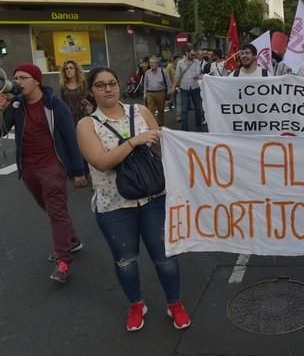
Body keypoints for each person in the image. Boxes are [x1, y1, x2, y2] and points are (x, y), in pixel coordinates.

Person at [76, 67, 191, 332]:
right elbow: (101, 162)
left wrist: (168, 139)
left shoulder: (140, 111)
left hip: (153, 200)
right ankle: (136, 304)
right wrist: (135, 141)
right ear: (91, 91)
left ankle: (175, 303)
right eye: (101, 85)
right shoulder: (86, 125)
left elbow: (165, 148)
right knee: (126, 260)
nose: (108, 89)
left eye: (112, 83)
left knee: (165, 257)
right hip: (114, 206)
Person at [0, 63, 87, 283]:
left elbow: (70, 138)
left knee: (56, 211)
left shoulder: (54, 104)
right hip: (29, 169)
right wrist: (2, 110)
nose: (17, 82)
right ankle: (73, 240)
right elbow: (2, 130)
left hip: (52, 166)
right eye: (15, 78)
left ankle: (63, 261)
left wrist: (77, 171)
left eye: (22, 77)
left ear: (36, 80)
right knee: (50, 208)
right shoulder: (17, 104)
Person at [172, 47, 204, 131]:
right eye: (192, 54)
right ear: (186, 53)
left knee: (198, 109)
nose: (194, 56)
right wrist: (173, 87)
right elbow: (177, 76)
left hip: (195, 88)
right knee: (184, 110)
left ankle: (198, 126)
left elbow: (199, 73)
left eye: (194, 54)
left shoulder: (197, 62)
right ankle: (185, 130)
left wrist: (198, 76)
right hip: (184, 88)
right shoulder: (180, 63)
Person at [59, 59, 92, 125]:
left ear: (76, 70)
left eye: (71, 68)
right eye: (66, 69)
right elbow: (62, 103)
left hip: (83, 117)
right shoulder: (63, 86)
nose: (68, 70)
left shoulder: (83, 84)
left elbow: (91, 99)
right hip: (68, 118)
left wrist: (89, 108)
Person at [143, 55, 172, 127]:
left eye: (153, 63)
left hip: (160, 92)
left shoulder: (163, 71)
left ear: (157, 63)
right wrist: (145, 94)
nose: (151, 64)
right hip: (150, 93)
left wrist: (169, 92)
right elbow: (145, 84)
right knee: (151, 111)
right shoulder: (147, 72)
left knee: (161, 110)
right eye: (150, 63)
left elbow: (168, 82)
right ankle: (152, 125)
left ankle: (160, 125)